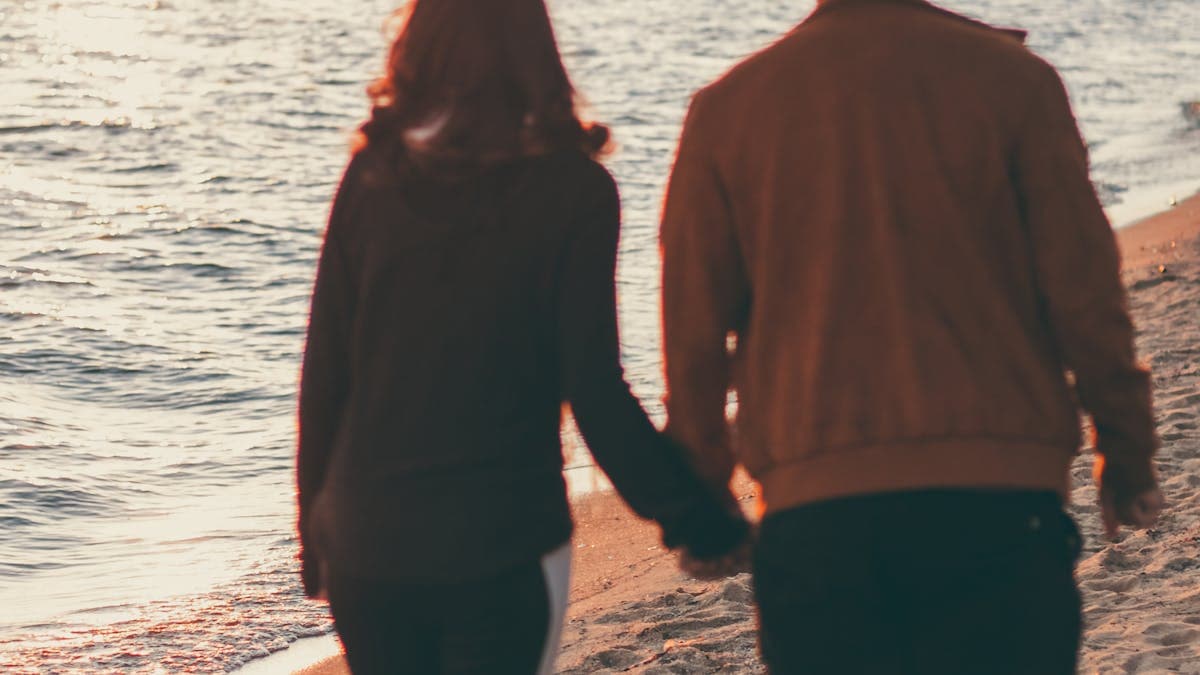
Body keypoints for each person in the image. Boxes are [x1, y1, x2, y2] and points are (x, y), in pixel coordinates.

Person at [660, 0, 1164, 672]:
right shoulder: (1014, 82)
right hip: (998, 505)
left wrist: (704, 493)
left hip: (820, 520)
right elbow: (1085, 295)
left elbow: (691, 332)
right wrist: (1126, 454)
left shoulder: (728, 109)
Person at [295, 1, 750, 673]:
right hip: (502, 542)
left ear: (420, 43)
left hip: (370, 540)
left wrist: (315, 527)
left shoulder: (373, 173)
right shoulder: (576, 190)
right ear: (538, 50)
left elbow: (325, 370)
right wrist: (692, 518)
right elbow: (593, 387)